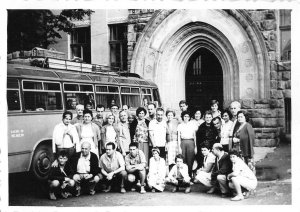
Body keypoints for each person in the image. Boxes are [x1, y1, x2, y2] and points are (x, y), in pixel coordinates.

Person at [177, 110, 197, 177]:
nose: (186, 118)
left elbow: (194, 136)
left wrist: (196, 146)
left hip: (191, 142)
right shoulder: (180, 125)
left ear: (189, 117)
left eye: (188, 116)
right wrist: (179, 147)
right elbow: (178, 137)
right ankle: (183, 176)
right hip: (183, 142)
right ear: (183, 117)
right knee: (183, 159)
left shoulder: (193, 125)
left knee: (190, 160)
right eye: (185, 116)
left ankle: (190, 176)